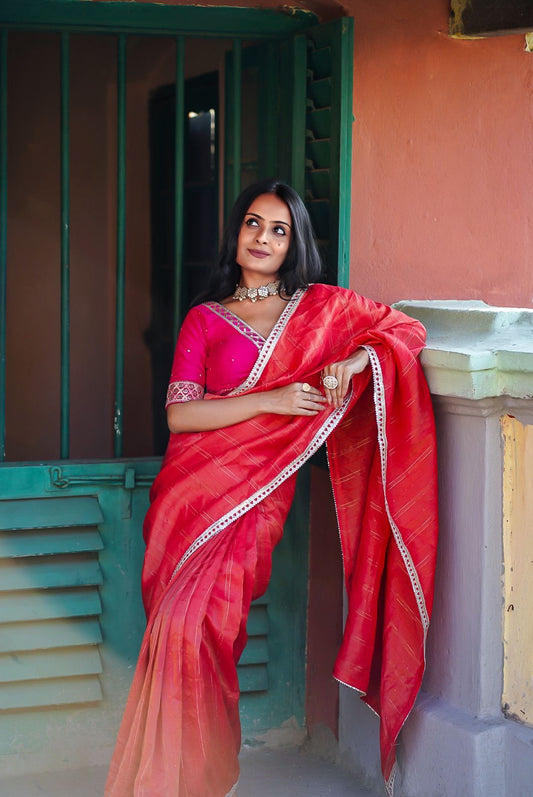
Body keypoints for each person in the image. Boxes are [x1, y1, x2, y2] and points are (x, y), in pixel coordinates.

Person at [104, 179, 438, 797]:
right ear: (236, 233)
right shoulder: (206, 320)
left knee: (212, 635)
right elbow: (181, 415)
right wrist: (278, 399)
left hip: (257, 501)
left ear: (294, 244)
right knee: (178, 629)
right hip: (192, 501)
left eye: (279, 230)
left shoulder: (320, 311)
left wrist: (354, 359)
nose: (263, 238)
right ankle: (182, 780)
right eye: (254, 224)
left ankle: (203, 776)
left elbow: (405, 331)